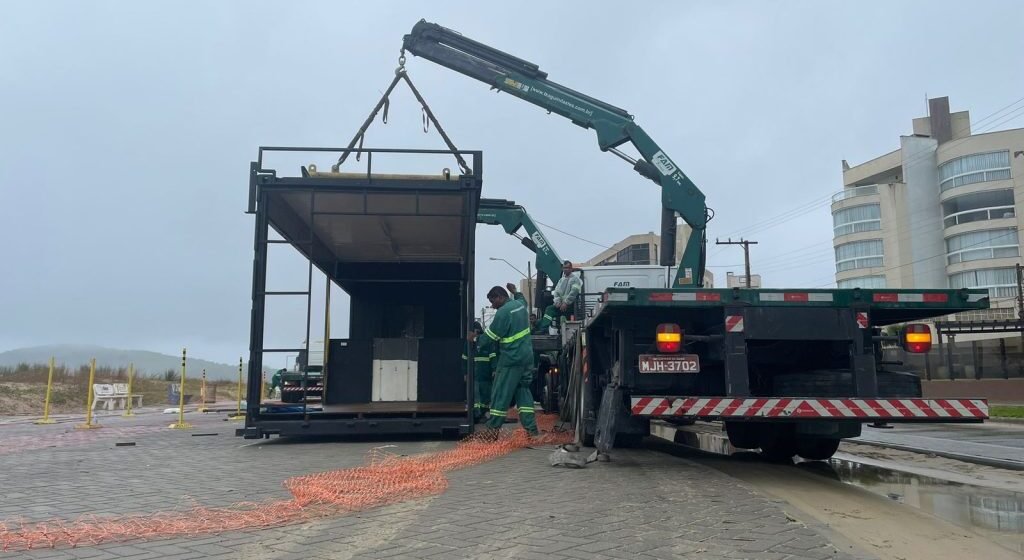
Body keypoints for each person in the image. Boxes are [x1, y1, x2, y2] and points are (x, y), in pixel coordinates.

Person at [474, 284, 538, 438]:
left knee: (500, 392)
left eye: (492, 301)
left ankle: (492, 431)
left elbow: (491, 336)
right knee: (523, 392)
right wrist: (515, 291)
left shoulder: (503, 312)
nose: (492, 305)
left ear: (500, 297)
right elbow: (523, 300)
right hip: (527, 357)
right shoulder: (520, 306)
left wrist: (475, 339)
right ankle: (532, 430)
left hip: (511, 358)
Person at [534, 260, 582, 332]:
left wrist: (566, 303)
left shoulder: (575, 279)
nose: (566, 269)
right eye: (564, 268)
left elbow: (573, 293)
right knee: (549, 309)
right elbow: (556, 292)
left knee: (563, 316)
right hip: (560, 305)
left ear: (571, 268)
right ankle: (544, 329)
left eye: (567, 268)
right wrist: (557, 301)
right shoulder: (561, 280)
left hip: (571, 306)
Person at [463, 321, 496, 422]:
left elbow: (493, 356)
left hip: (485, 374)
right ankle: (476, 415)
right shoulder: (468, 343)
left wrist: (494, 369)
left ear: (476, 331)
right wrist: (465, 373)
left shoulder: (487, 341)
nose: (468, 334)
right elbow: (464, 358)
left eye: (470, 332)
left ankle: (483, 413)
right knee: (475, 394)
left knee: (485, 395)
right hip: (473, 375)